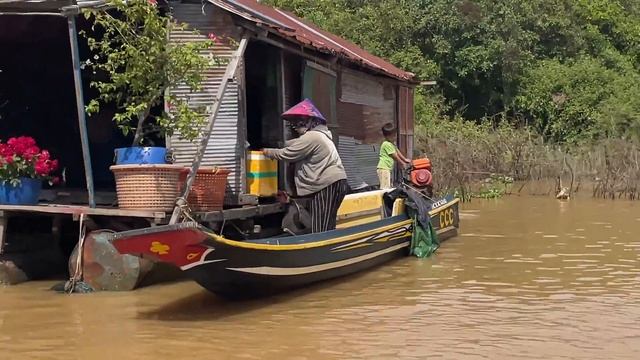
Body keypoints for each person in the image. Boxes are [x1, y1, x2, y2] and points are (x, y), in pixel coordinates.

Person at [263, 99, 350, 233]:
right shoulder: (322, 135)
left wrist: (267, 152)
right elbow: (296, 144)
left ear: (310, 121)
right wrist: (280, 143)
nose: (295, 126)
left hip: (326, 185)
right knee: (327, 223)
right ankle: (328, 249)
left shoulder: (312, 137)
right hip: (336, 183)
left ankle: (321, 251)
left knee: (321, 227)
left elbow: (289, 154)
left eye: (298, 121)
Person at [377, 123, 411, 189]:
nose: (395, 137)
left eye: (395, 135)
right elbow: (394, 155)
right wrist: (402, 163)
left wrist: (404, 159)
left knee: (389, 185)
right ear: (387, 136)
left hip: (387, 168)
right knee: (385, 188)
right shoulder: (386, 144)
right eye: (393, 136)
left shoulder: (391, 143)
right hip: (384, 168)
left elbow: (397, 151)